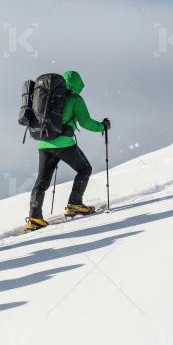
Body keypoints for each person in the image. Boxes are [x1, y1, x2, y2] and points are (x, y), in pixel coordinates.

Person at [26, 70, 110, 231]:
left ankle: (34, 217)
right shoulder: (75, 99)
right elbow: (86, 123)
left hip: (43, 143)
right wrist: (102, 126)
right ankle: (75, 204)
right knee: (85, 169)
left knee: (41, 181)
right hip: (63, 143)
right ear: (78, 85)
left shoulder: (47, 95)